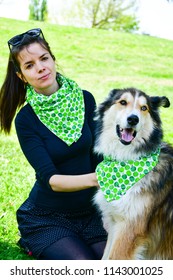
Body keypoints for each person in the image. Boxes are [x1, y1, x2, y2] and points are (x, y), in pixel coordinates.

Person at [0, 28, 107, 260]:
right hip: (48, 217)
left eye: (44, 58)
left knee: (119, 265)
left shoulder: (85, 99)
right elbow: (51, 180)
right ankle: (35, 240)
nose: (40, 67)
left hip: (92, 212)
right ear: (21, 77)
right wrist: (100, 179)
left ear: (53, 59)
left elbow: (98, 155)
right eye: (29, 65)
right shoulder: (26, 120)